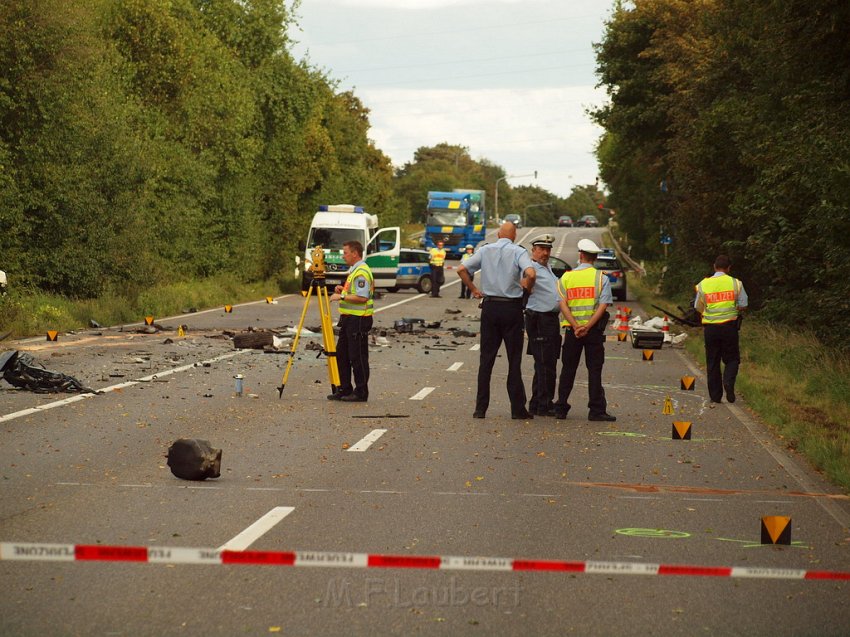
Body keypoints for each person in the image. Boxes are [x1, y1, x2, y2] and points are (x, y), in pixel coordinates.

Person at [457, 222, 536, 420]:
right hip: (512, 309)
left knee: (486, 360)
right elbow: (531, 273)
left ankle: (480, 409)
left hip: (490, 308)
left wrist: (474, 290)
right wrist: (528, 287)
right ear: (514, 236)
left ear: (499, 234)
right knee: (514, 360)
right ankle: (517, 409)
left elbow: (461, 269)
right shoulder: (519, 252)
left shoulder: (485, 250)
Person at [554, 238, 616, 422]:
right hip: (593, 332)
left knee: (568, 369)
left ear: (580, 255)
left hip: (572, 332)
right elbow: (603, 306)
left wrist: (575, 325)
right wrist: (588, 327)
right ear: (595, 257)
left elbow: (562, 305)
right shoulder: (601, 278)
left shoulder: (566, 277)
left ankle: (561, 408)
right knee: (594, 370)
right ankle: (596, 410)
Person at [694, 254, 748, 403]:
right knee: (732, 359)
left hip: (710, 329)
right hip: (729, 328)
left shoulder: (703, 284)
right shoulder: (735, 283)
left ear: (714, 267)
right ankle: (728, 382)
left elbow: (697, 306)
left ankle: (715, 396)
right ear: (729, 268)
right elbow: (744, 304)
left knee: (712, 361)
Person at [327, 241, 374, 402]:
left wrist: (340, 296)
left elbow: (362, 297)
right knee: (342, 355)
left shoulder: (361, 272)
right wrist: (343, 291)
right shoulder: (354, 270)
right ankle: (344, 389)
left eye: (345, 252)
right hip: (348, 319)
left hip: (359, 319)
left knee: (357, 357)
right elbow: (353, 293)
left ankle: (361, 392)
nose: (343, 256)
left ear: (355, 253)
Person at [524, 234, 562, 417]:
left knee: (546, 362)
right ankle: (543, 404)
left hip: (550, 319)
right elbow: (523, 286)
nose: (545, 253)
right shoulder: (530, 269)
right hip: (540, 319)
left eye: (548, 249)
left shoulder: (546, 268)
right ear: (534, 250)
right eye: (542, 249)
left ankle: (537, 402)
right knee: (545, 363)